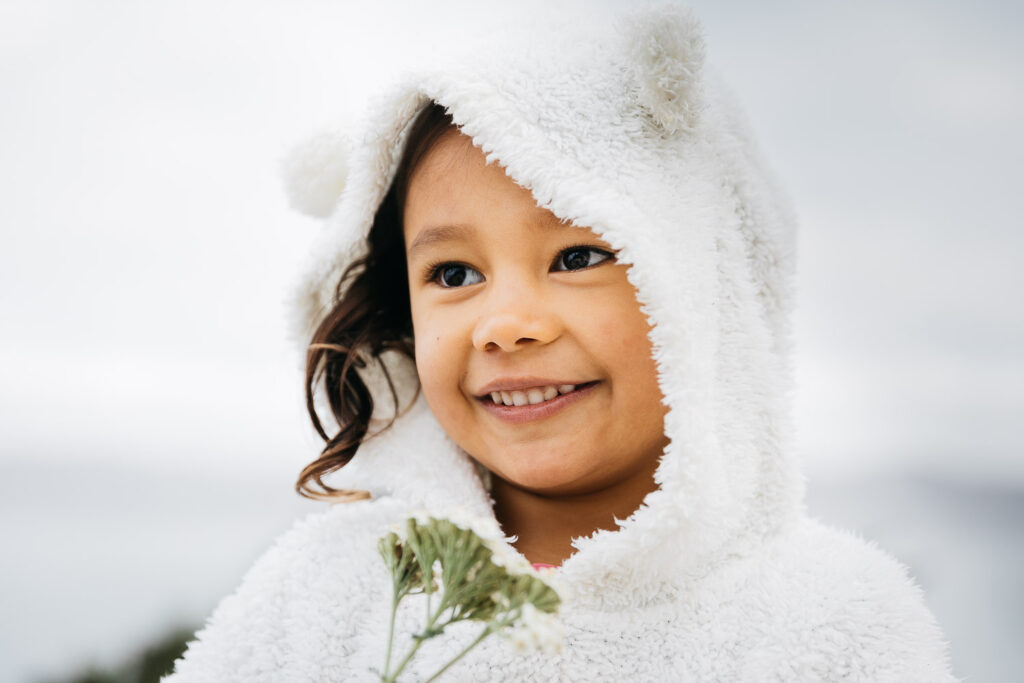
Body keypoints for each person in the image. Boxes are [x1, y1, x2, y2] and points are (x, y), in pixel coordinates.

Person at [164, 3, 956, 681]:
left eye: (578, 256)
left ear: (707, 285)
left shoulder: (834, 622)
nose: (506, 322)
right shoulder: (333, 588)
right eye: (452, 272)